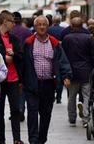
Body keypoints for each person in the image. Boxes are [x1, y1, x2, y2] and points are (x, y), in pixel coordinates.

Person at [23, 15, 71, 144]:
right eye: (39, 24)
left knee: (46, 114)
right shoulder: (28, 43)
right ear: (35, 26)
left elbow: (63, 61)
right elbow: (23, 63)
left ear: (48, 26)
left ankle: (41, 139)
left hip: (49, 84)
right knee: (32, 113)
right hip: (32, 84)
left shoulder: (55, 43)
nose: (42, 27)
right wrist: (21, 81)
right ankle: (33, 140)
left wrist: (66, 76)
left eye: (44, 24)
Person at [0, 10, 24, 144]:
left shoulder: (14, 38)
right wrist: (5, 58)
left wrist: (14, 55)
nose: (14, 25)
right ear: (5, 22)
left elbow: (21, 57)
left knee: (15, 110)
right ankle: (2, 140)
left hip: (13, 79)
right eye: (12, 22)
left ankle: (17, 139)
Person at [62, 17, 94, 128]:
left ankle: (72, 117)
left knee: (71, 96)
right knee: (86, 95)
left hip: (72, 72)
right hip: (86, 71)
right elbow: (92, 55)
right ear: (82, 25)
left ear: (71, 25)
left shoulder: (67, 38)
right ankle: (86, 118)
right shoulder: (89, 38)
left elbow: (64, 56)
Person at [12, 11, 32, 121]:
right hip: (25, 62)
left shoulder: (9, 32)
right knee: (22, 87)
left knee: (13, 88)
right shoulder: (28, 31)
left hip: (12, 62)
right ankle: (21, 109)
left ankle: (15, 110)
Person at [48, 15, 65, 103]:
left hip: (50, 52)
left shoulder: (49, 29)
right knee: (59, 74)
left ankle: (52, 94)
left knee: (51, 72)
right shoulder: (63, 30)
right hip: (60, 53)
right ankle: (59, 97)